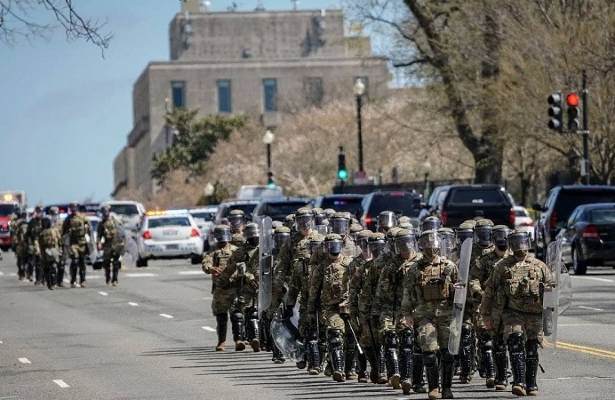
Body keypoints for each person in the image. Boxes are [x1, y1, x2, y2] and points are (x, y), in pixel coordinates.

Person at [481, 230, 552, 397]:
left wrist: (550, 291)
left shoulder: (540, 266)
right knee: (515, 340)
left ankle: (531, 384)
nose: (520, 246)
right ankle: (518, 382)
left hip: (534, 313)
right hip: (512, 312)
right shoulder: (502, 266)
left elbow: (551, 291)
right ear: (511, 245)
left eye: (523, 242)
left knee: (532, 347)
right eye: (516, 242)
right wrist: (485, 314)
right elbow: (489, 290)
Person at [403, 230, 458, 400]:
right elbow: (408, 293)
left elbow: (460, 290)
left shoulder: (449, 266)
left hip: (446, 315)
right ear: (420, 245)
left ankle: (447, 388)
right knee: (428, 351)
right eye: (426, 242)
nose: (430, 246)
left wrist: (459, 292)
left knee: (448, 353)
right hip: (424, 315)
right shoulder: (414, 269)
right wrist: (406, 314)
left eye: (433, 242)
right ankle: (433, 387)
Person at [375, 228, 421, 394]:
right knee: (390, 338)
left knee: (409, 342)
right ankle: (396, 373)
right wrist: (376, 312)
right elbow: (381, 291)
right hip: (392, 308)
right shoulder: (391, 266)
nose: (404, 248)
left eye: (406, 244)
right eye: (400, 245)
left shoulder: (420, 262)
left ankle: (409, 377)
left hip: (415, 309)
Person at [308, 234, 352, 382]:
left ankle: (347, 368)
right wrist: (311, 311)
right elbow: (314, 290)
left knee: (351, 340)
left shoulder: (349, 264)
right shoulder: (321, 267)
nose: (334, 249)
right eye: (330, 245)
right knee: (335, 335)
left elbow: (358, 286)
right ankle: (338, 369)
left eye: (336, 245)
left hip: (349, 307)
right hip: (330, 308)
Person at [282, 207, 321, 370]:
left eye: (307, 220)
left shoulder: (320, 239)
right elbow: (282, 265)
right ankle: (307, 358)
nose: (304, 224)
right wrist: (286, 298)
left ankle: (323, 361)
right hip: (299, 291)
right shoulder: (291, 242)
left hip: (320, 291)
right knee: (304, 327)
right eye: (301, 221)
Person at [476, 225, 511, 390]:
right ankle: (498, 376)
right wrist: (481, 293)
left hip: (513, 307)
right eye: (499, 236)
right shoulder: (484, 260)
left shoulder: (516, 258)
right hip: (491, 306)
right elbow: (473, 279)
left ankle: (518, 377)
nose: (502, 239)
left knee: (515, 341)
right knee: (494, 343)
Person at [354, 232, 388, 384]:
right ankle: (376, 368)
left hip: (386, 308)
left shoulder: (389, 267)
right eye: (373, 247)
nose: (376, 250)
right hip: (368, 310)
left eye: (379, 247)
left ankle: (383, 371)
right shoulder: (364, 268)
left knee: (385, 340)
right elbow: (356, 290)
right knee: (369, 341)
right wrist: (359, 312)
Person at [223, 223, 261, 352]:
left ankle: (257, 338)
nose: (254, 239)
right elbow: (231, 268)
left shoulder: (265, 249)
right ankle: (240, 339)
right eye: (251, 237)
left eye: (256, 236)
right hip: (244, 286)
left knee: (256, 312)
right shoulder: (240, 252)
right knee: (239, 312)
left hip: (264, 284)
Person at [202, 225, 238, 351]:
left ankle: (239, 340)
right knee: (221, 317)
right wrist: (211, 268)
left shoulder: (235, 250)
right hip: (220, 290)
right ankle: (221, 342)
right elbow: (206, 264)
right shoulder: (213, 251)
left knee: (237, 315)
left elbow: (244, 263)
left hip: (235, 288)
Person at [348, 229, 372, 382]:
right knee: (361, 338)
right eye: (361, 243)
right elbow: (350, 287)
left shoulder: (380, 261)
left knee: (379, 339)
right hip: (360, 306)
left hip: (378, 305)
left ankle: (380, 370)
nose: (364, 246)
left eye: (367, 243)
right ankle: (362, 370)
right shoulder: (354, 263)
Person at [62, 202, 90, 288]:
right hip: (73, 243)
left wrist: (90, 241)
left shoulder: (83, 217)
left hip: (82, 242)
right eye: (71, 207)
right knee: (74, 261)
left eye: (74, 207)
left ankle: (83, 280)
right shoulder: (68, 219)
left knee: (82, 262)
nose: (73, 209)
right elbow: (64, 231)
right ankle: (73, 280)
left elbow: (89, 229)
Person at [97, 205, 124, 287]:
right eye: (104, 211)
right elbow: (99, 235)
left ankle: (115, 279)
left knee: (116, 263)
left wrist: (122, 241)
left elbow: (121, 231)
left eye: (107, 211)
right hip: (107, 245)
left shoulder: (115, 221)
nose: (105, 213)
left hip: (116, 244)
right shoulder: (101, 224)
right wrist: (98, 243)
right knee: (106, 263)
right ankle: (108, 278)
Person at [38, 217, 62, 290]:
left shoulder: (42, 233)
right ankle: (53, 282)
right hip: (53, 250)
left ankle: (50, 283)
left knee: (47, 268)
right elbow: (59, 240)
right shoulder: (54, 231)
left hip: (46, 251)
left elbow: (40, 244)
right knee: (53, 266)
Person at [26, 206, 44, 284]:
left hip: (43, 244)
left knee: (42, 262)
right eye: (37, 211)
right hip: (34, 243)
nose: (38, 213)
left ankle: (41, 278)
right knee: (34, 262)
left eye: (40, 211)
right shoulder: (32, 222)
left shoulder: (45, 221)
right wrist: (29, 244)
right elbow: (28, 234)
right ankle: (35, 277)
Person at [11, 212, 28, 280]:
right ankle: (23, 272)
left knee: (20, 259)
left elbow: (13, 231)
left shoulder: (16, 223)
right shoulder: (26, 223)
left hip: (19, 243)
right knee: (24, 259)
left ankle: (21, 273)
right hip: (24, 243)